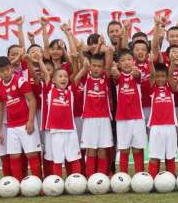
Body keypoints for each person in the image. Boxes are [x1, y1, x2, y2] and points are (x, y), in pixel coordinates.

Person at [0, 56, 42, 179]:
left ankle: (38, 182)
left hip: (26, 123)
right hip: (12, 126)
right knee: (14, 156)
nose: (5, 72)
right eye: (1, 71)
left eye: (7, 69)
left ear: (11, 68)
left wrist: (31, 121)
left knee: (31, 154)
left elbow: (32, 100)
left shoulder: (20, 81)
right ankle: (18, 183)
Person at [38, 55, 81, 178]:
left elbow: (77, 76)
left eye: (66, 76)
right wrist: (40, 60)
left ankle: (76, 180)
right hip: (55, 131)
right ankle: (57, 181)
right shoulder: (50, 91)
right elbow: (46, 75)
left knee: (74, 157)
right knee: (57, 159)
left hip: (70, 131)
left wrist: (80, 64)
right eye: (60, 76)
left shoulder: (70, 91)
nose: (63, 79)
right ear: (53, 80)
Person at [75, 44, 114, 177]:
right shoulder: (86, 78)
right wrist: (80, 50)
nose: (96, 68)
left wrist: (109, 52)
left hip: (104, 118)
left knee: (102, 149)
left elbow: (109, 66)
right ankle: (89, 177)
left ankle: (102, 177)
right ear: (90, 67)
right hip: (89, 118)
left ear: (102, 68)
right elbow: (75, 80)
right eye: (94, 66)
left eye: (99, 66)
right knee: (91, 149)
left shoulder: (106, 78)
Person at [111, 49, 146, 175]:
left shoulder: (137, 75)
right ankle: (123, 176)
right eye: (123, 60)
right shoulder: (118, 77)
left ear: (134, 61)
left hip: (137, 118)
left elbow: (137, 75)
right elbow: (114, 74)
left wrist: (135, 72)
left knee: (137, 148)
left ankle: (140, 175)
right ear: (119, 64)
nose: (126, 63)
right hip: (122, 118)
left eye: (129, 60)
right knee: (124, 149)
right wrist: (114, 68)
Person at [146, 63, 178, 176]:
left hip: (170, 126)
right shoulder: (152, 89)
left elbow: (171, 78)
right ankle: (153, 179)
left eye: (163, 76)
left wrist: (173, 64)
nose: (160, 79)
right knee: (154, 155)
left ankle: (172, 178)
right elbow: (152, 76)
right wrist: (150, 63)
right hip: (156, 126)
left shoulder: (170, 88)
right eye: (158, 76)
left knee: (170, 155)